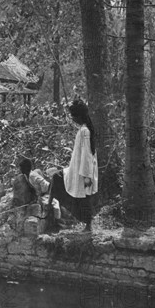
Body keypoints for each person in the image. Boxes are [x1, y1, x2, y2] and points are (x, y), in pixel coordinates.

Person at [47, 99, 98, 231]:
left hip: (83, 171)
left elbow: (87, 155)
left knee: (83, 195)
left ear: (79, 116)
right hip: (77, 169)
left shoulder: (85, 131)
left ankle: (86, 223)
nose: (73, 119)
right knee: (58, 178)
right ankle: (53, 215)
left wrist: (86, 175)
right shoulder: (84, 129)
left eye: (74, 116)